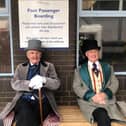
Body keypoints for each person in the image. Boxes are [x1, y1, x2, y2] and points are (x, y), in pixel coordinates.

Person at [0, 39, 61, 126]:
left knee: (28, 116)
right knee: (25, 112)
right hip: (23, 100)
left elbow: (56, 84)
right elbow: (14, 84)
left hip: (43, 101)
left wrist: (44, 80)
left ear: (41, 54)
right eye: (32, 53)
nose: (35, 55)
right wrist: (29, 84)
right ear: (27, 55)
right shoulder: (20, 67)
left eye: (37, 53)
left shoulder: (49, 66)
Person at [73, 39, 126, 126]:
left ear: (98, 53)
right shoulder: (79, 70)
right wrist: (93, 96)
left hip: (107, 101)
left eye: (95, 51)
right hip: (89, 103)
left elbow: (115, 83)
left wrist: (104, 94)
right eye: (90, 52)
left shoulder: (108, 67)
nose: (93, 54)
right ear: (86, 54)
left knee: (110, 115)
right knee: (102, 116)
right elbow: (76, 87)